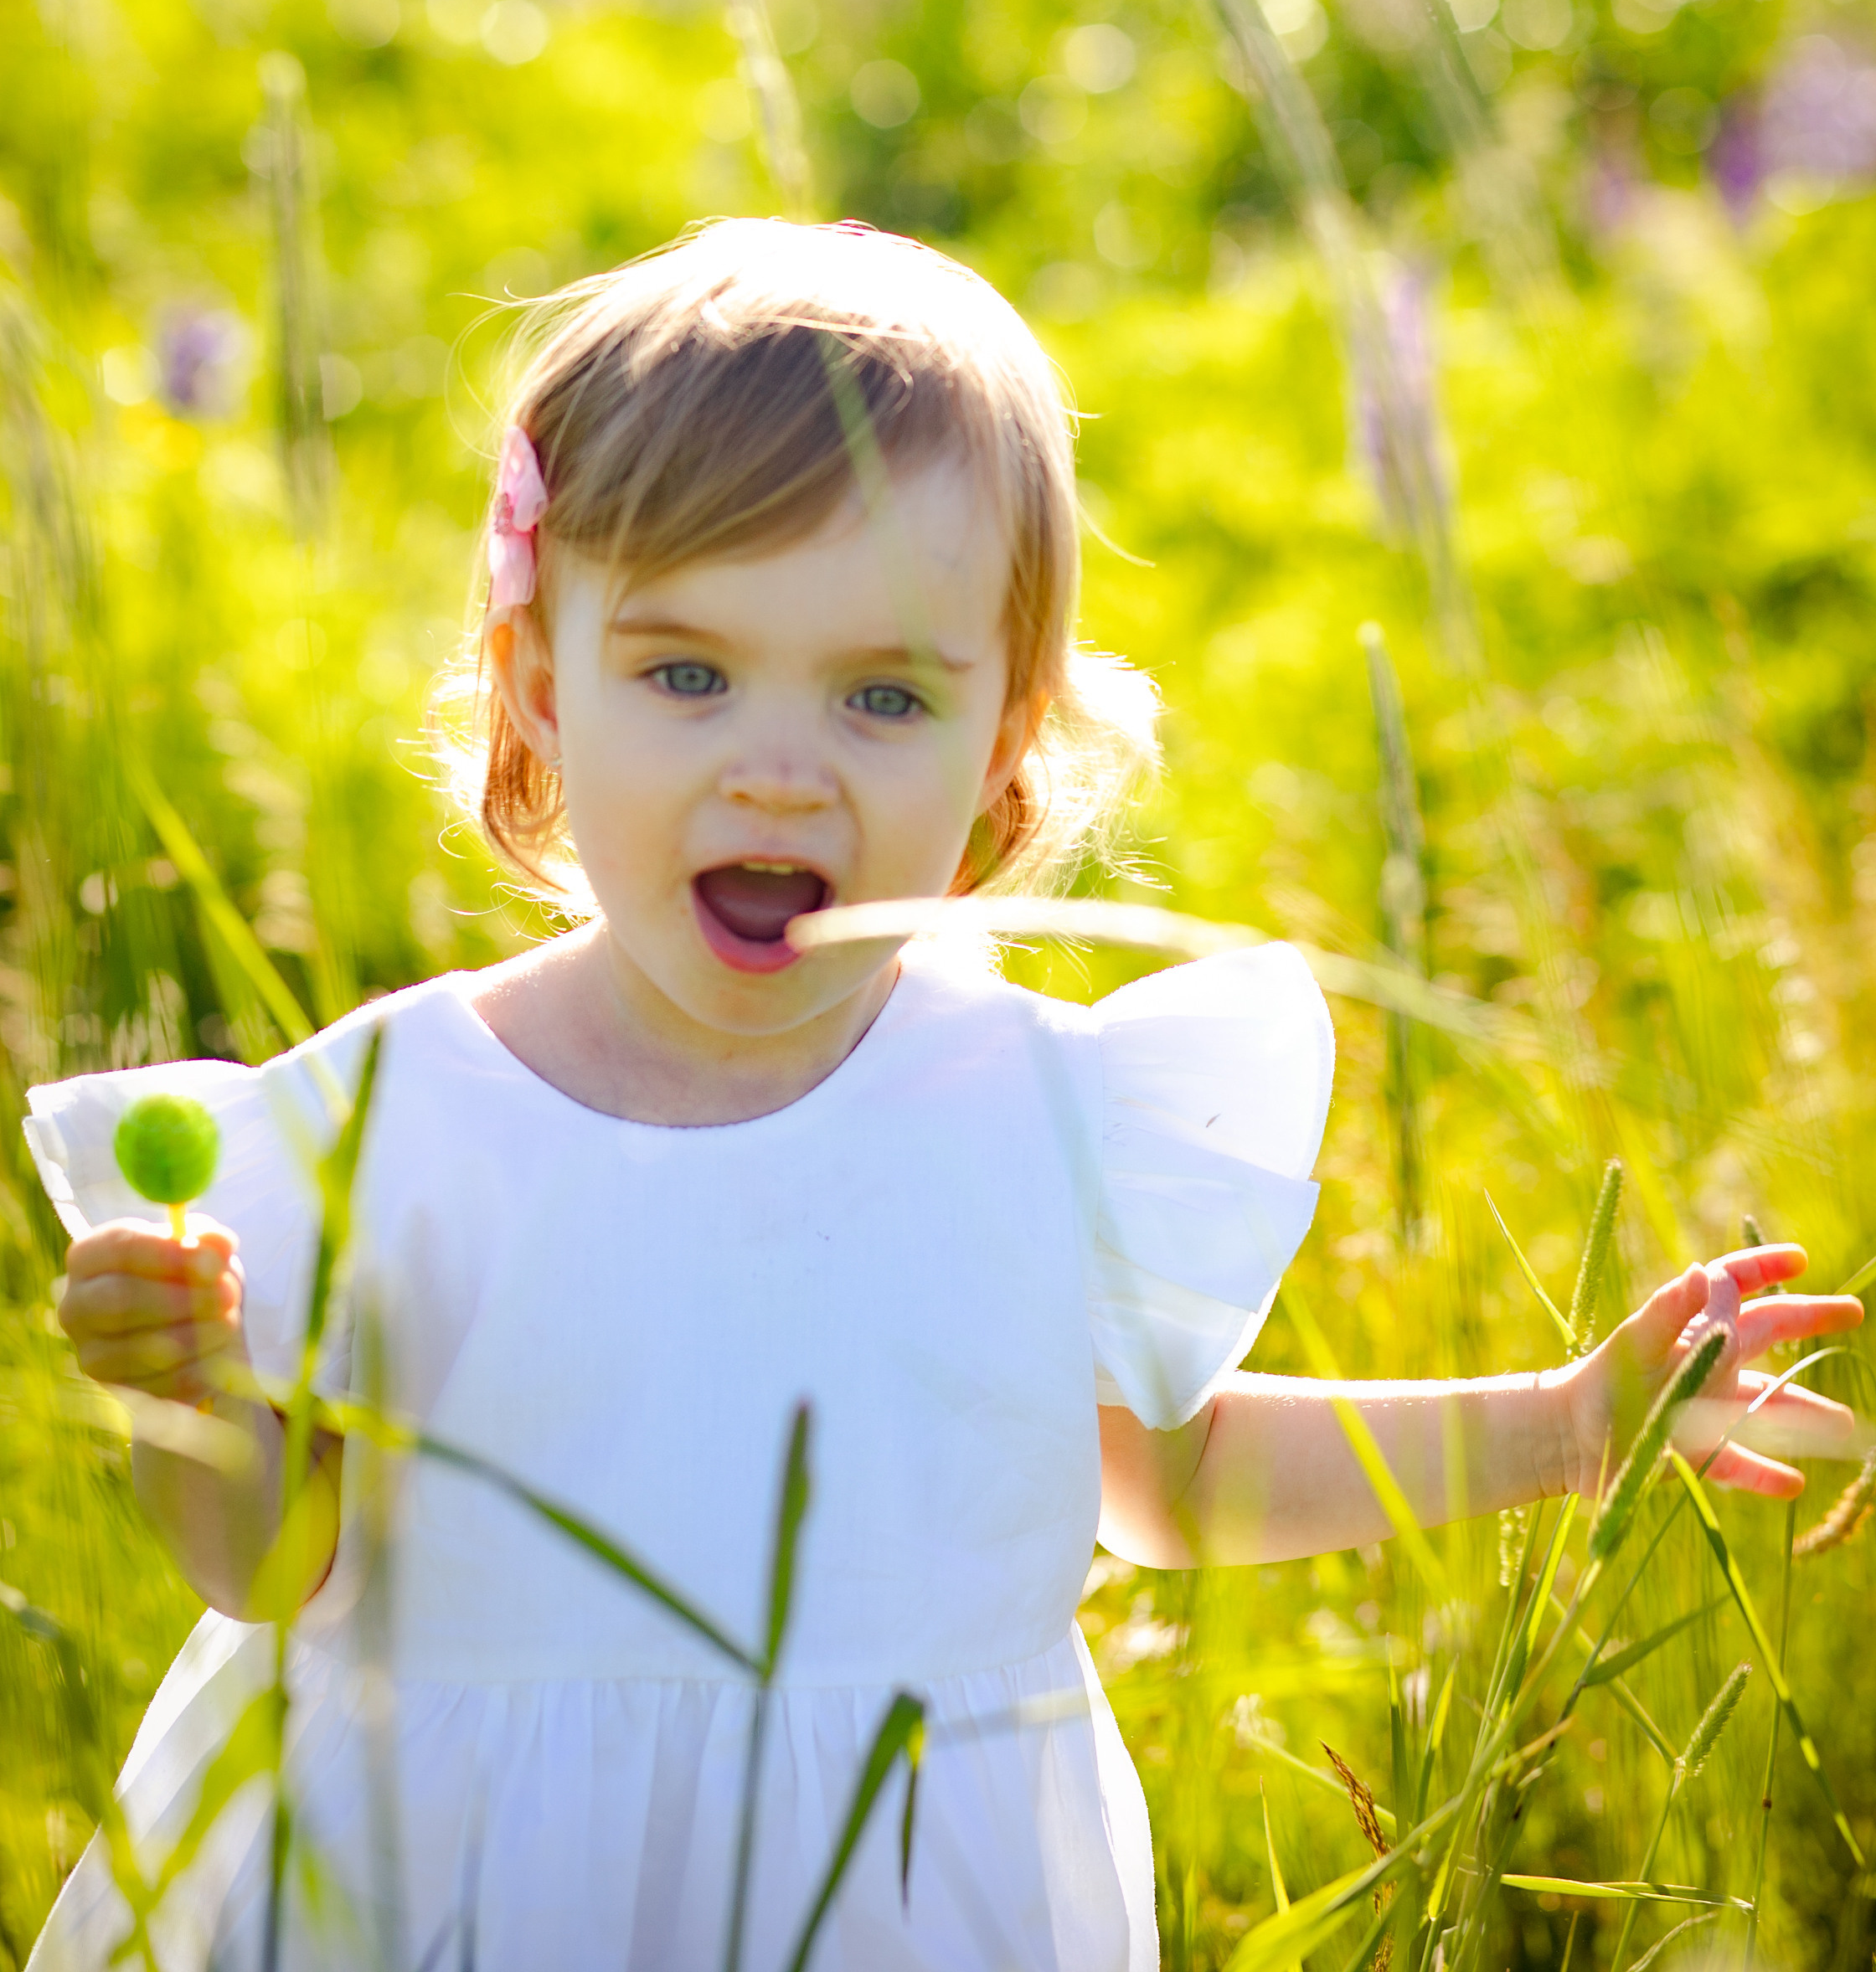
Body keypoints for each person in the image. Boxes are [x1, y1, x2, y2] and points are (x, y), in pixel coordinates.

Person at [27, 219, 1862, 1972]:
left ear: (1004, 750)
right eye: (686, 672)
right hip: (449, 1884)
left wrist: (1562, 1424)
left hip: (898, 1893)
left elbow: (1180, 1482)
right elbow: (272, 1568)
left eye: (881, 701)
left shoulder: (1031, 1113)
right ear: (537, 689)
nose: (777, 771)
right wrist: (197, 1404)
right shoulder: (390, 1118)